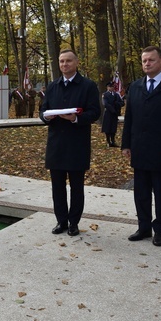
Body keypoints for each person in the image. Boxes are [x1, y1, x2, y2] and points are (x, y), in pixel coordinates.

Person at [121, 46, 161, 247]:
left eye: (151, 60)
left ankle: (159, 230)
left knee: (159, 193)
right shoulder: (136, 86)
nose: (147, 64)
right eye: (144, 61)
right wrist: (126, 145)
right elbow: (129, 118)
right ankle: (143, 227)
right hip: (139, 149)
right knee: (140, 192)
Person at [40, 49, 100, 236]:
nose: (64, 64)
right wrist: (45, 117)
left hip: (77, 144)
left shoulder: (88, 86)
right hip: (56, 144)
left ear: (76, 63)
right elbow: (43, 111)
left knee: (76, 187)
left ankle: (74, 222)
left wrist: (75, 118)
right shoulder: (52, 86)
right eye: (61, 61)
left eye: (68, 61)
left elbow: (95, 112)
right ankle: (61, 221)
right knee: (57, 187)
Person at [101, 82, 123, 147]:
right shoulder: (105, 95)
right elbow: (105, 104)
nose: (111, 88)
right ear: (107, 87)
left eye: (112, 87)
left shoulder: (116, 95)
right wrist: (112, 110)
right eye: (110, 87)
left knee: (113, 127)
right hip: (108, 113)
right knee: (107, 128)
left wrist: (117, 104)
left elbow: (122, 103)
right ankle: (108, 141)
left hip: (115, 113)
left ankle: (113, 141)